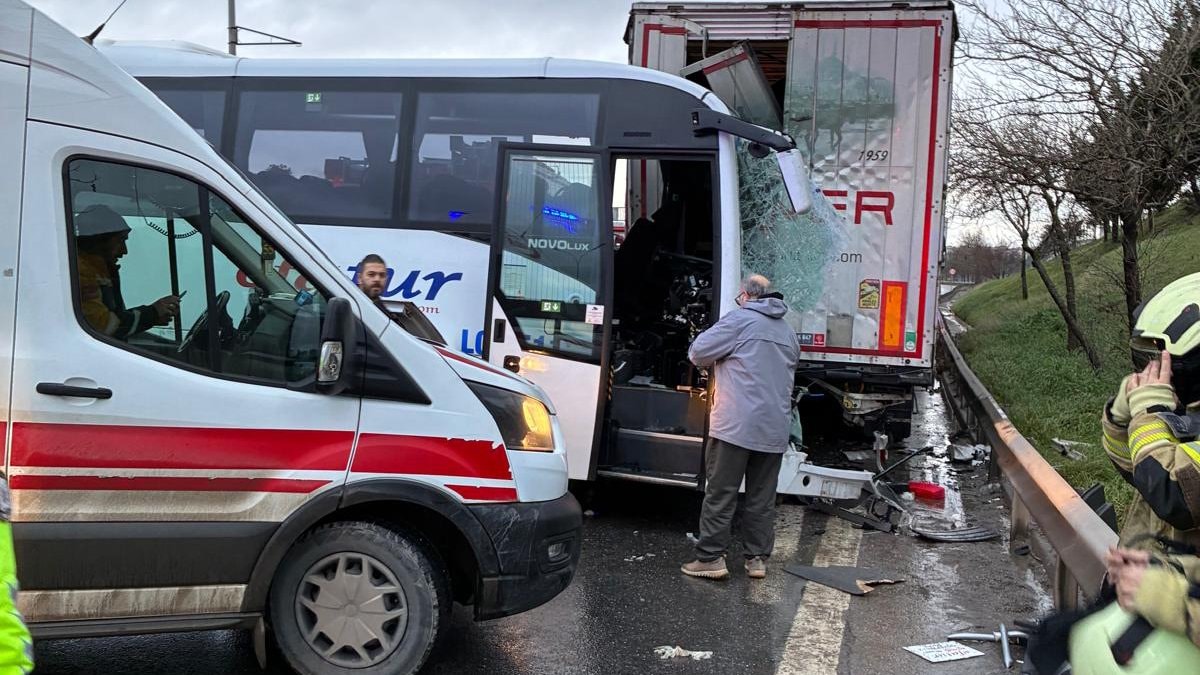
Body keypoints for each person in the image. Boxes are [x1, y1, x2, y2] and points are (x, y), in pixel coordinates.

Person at [1095, 271, 1200, 652]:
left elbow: (1177, 496)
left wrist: (1150, 414)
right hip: (1151, 623)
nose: (1163, 368)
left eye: (1169, 358)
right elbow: (1141, 472)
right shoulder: (1189, 415)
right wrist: (1121, 417)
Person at [681, 274, 800, 580]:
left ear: (746, 296)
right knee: (761, 497)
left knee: (721, 492)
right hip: (774, 427)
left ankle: (710, 558)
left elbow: (697, 353)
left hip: (736, 424)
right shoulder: (787, 332)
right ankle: (757, 560)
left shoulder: (740, 320)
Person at [74, 205, 179, 339]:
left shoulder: (97, 271)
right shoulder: (82, 274)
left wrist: (153, 317)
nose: (124, 251)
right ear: (100, 240)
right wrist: (152, 313)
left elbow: (113, 320)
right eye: (120, 241)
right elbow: (105, 327)